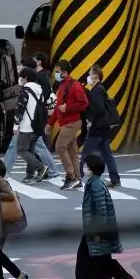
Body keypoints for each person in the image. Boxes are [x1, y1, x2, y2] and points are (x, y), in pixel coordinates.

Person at [71, 152, 134, 279]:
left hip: (96, 229)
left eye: (86, 165)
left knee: (93, 256)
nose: (84, 167)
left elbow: (101, 210)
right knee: (96, 256)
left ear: (92, 168)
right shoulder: (94, 182)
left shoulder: (96, 185)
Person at [50, 60, 89, 188]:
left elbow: (84, 103)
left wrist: (67, 108)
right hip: (67, 122)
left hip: (72, 122)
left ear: (65, 73)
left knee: (60, 147)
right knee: (72, 151)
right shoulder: (62, 85)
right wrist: (50, 123)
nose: (56, 74)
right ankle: (77, 179)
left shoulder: (75, 85)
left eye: (58, 71)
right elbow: (58, 107)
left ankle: (71, 176)